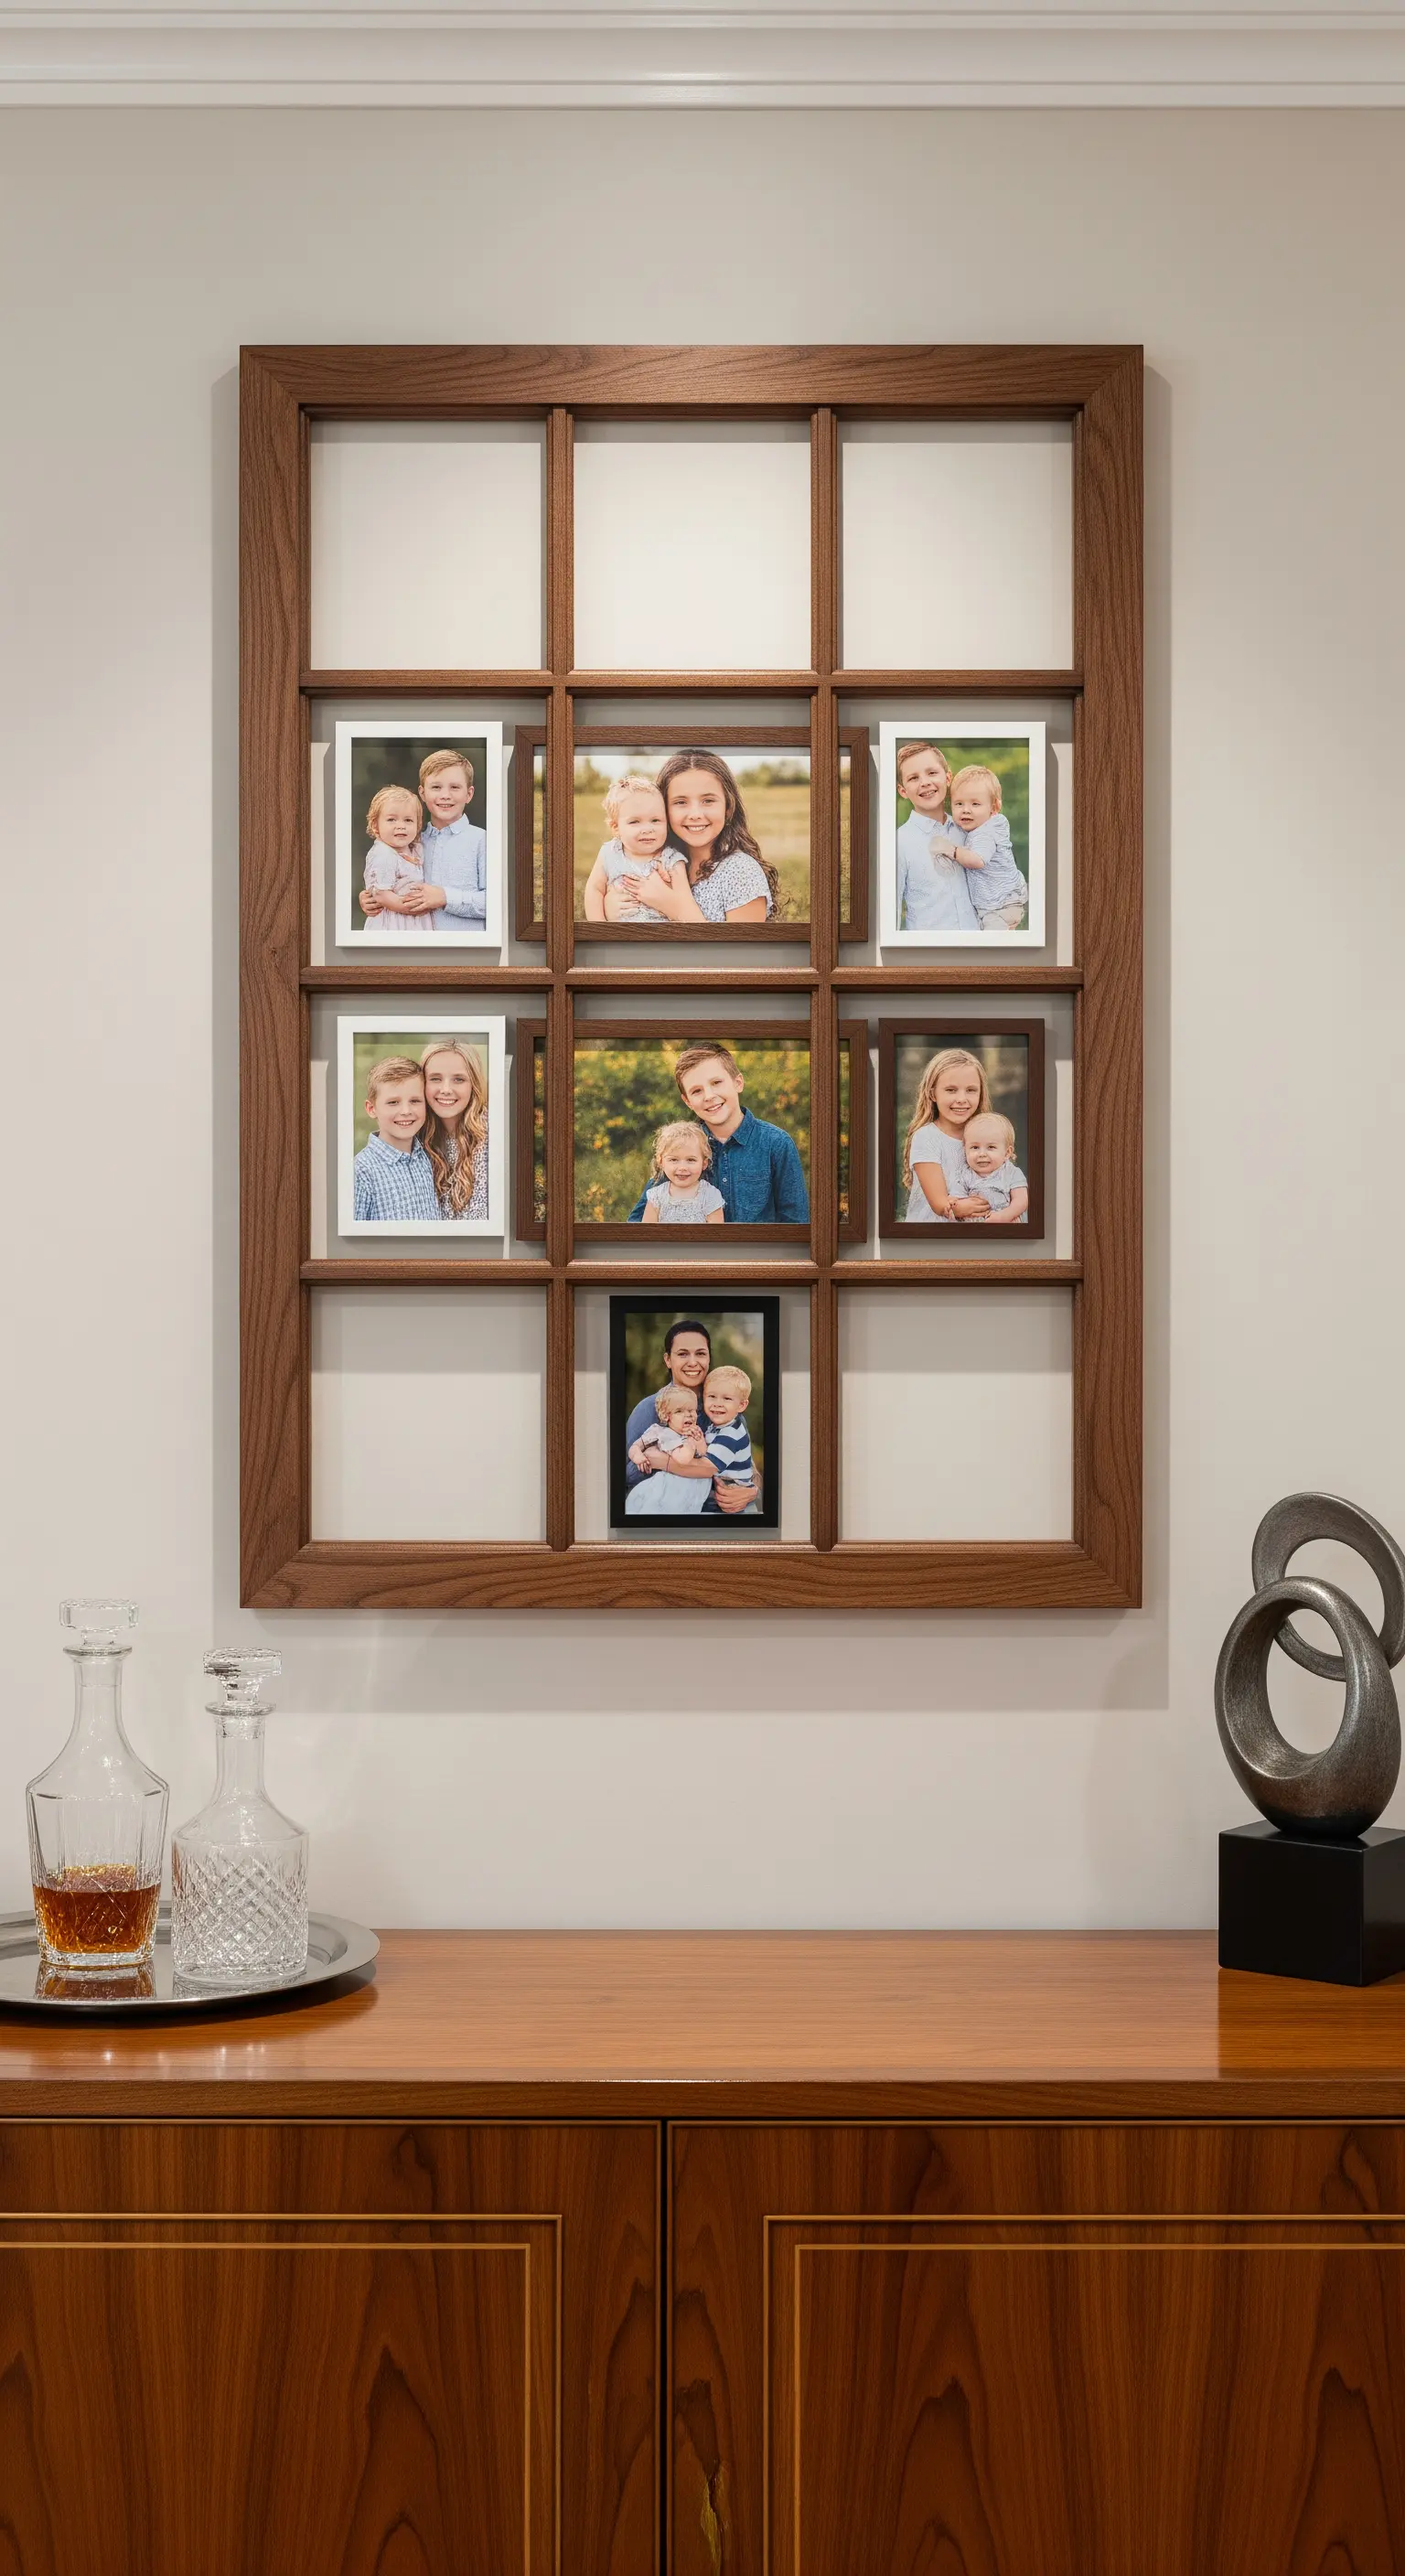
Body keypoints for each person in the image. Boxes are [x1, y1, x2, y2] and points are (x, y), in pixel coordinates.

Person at [627, 1045, 808, 1225]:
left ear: (738, 1083)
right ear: (687, 1101)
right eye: (697, 1091)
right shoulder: (680, 1146)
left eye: (716, 1083)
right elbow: (637, 1223)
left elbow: (795, 1222)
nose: (709, 1096)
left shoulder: (776, 1144)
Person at [614, 751, 779, 926]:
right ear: (662, 810)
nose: (695, 814)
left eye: (708, 800)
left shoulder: (741, 872)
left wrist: (673, 907)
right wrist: (613, 906)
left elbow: (742, 952)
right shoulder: (658, 862)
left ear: (728, 808)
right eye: (681, 802)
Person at [621, 1317, 758, 1514]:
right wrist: (659, 1456)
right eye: (683, 1354)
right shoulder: (649, 1409)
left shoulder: (727, 1410)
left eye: (700, 1354)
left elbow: (749, 1469)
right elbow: (625, 1478)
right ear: (668, 1360)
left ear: (709, 1358)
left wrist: (751, 1491)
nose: (693, 1362)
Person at [360, 749, 487, 933]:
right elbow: (386, 877)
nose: (445, 795)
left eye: (455, 787)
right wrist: (369, 896)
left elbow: (497, 903)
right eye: (436, 787)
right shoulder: (410, 841)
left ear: (469, 793)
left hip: (464, 950)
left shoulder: (482, 840)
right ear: (422, 793)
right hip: (415, 946)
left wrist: (445, 897)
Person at [893, 740, 980, 938]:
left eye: (932, 773)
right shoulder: (900, 842)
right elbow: (892, 911)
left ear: (948, 778)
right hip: (928, 956)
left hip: (979, 949)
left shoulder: (968, 831)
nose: (925, 782)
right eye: (914, 778)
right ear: (903, 791)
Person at [902, 1047, 996, 1223]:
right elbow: (940, 1205)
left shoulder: (989, 1136)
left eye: (971, 1090)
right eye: (951, 1090)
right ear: (933, 1094)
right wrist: (968, 1206)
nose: (962, 1098)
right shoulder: (926, 1137)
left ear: (981, 1093)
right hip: (928, 1240)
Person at [582, 774, 687, 925]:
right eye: (635, 822)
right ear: (616, 827)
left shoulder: (671, 860)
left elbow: (684, 906)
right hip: (618, 938)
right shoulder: (610, 852)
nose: (647, 829)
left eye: (655, 820)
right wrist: (599, 926)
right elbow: (595, 889)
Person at [352, 1056, 442, 1223]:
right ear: (372, 1109)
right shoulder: (361, 1172)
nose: (406, 1111)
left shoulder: (429, 1158)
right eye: (393, 1102)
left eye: (415, 1101)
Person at [947, 765, 1028, 935]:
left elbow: (977, 860)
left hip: (1001, 906)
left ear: (994, 808)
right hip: (999, 903)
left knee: (992, 946)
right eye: (959, 803)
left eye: (975, 804)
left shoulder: (987, 831)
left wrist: (953, 851)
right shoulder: (978, 827)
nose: (966, 809)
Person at [420, 1038, 489, 1221]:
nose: (446, 1090)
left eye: (458, 1079)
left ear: (473, 1084)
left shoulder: (493, 1136)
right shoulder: (415, 1138)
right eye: (435, 1079)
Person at [624, 1388, 712, 1518]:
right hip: (668, 1487)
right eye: (680, 1411)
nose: (688, 1414)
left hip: (692, 1487)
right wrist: (638, 1457)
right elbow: (682, 1460)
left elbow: (703, 1452)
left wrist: (699, 1441)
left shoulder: (695, 1432)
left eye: (691, 1410)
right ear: (666, 1416)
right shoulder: (660, 1432)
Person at [359, 786, 433, 941]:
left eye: (408, 820)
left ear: (418, 825)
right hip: (393, 922)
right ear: (375, 825)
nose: (401, 825)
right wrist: (409, 908)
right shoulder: (384, 853)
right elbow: (381, 894)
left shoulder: (415, 848)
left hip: (413, 924)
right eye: (391, 819)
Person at [640, 1120, 725, 1226]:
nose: (682, 1168)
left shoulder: (710, 1195)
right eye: (674, 1160)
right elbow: (647, 1234)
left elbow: (717, 1236)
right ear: (661, 1162)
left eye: (691, 1160)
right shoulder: (657, 1196)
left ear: (704, 1163)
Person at [958, 1111, 1029, 1225]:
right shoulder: (966, 1174)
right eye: (975, 1147)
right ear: (965, 1150)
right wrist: (955, 1204)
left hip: (1004, 1225)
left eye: (991, 1147)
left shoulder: (1011, 1172)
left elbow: (1021, 1201)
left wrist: (1004, 1216)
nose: (982, 1154)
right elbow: (956, 1198)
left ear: (1007, 1153)